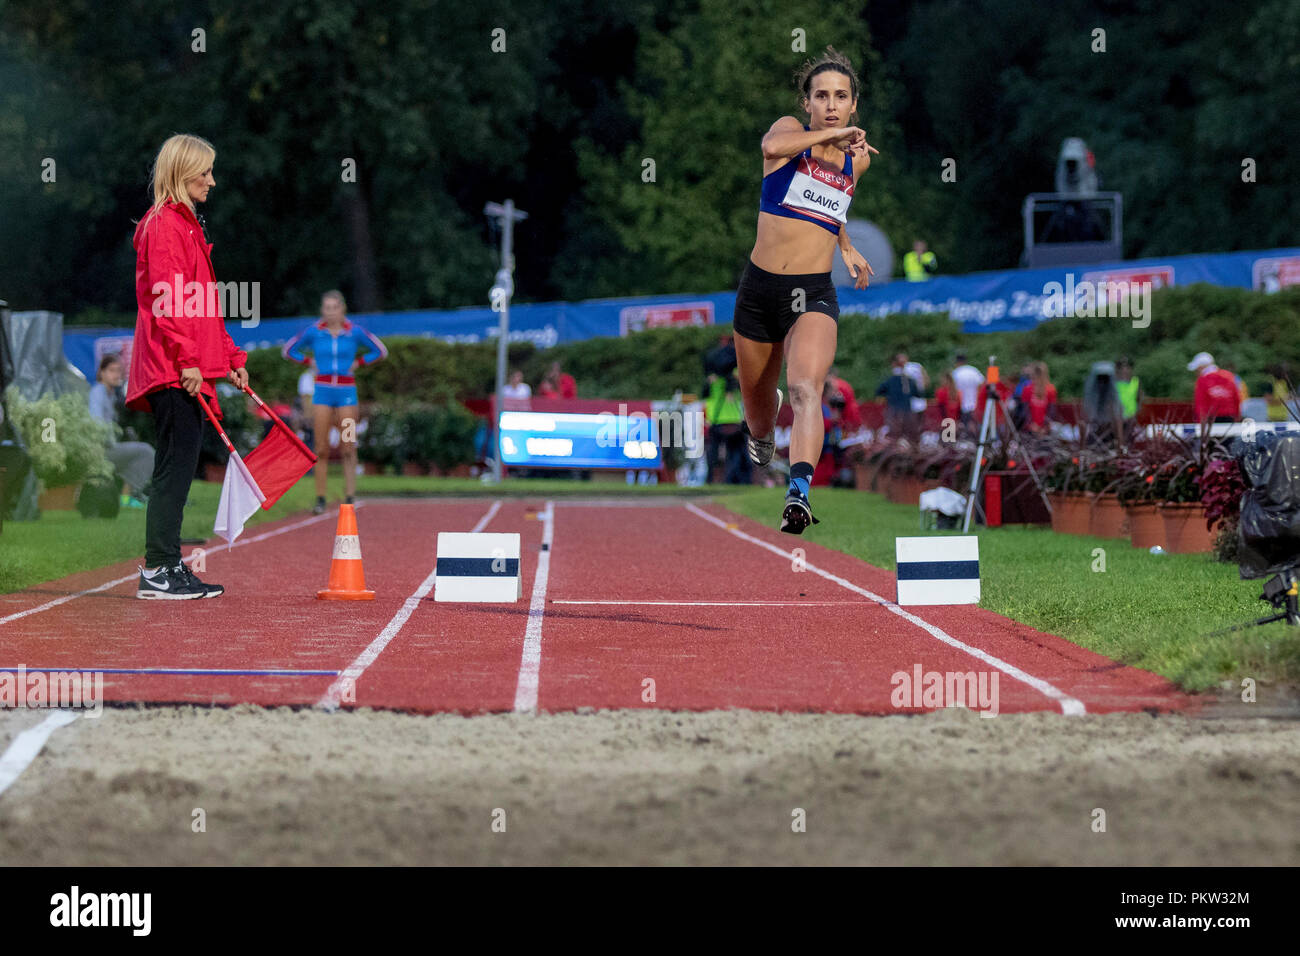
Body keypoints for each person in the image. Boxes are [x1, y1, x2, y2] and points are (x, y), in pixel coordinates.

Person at [732, 45, 877, 534]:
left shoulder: (856, 164)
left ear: (854, 103)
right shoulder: (787, 132)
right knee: (757, 415)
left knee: (805, 388)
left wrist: (846, 244)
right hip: (759, 290)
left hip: (811, 295)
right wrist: (832, 135)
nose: (832, 104)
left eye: (841, 97)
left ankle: (798, 492)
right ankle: (763, 423)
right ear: (807, 104)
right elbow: (772, 151)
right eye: (822, 96)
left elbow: (825, 206)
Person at [126, 133, 248, 599]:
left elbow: (201, 306)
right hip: (172, 368)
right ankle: (159, 569)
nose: (212, 181)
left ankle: (165, 566)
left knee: (178, 467)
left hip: (184, 365)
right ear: (182, 173)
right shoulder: (164, 227)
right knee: (173, 469)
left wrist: (231, 359)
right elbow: (166, 301)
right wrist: (188, 360)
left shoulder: (185, 226)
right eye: (205, 173)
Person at [282, 290, 388, 514]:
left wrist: (360, 362)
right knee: (320, 448)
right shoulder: (314, 332)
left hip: (346, 394)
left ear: (342, 309)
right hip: (322, 394)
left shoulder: (354, 332)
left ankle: (349, 496)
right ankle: (320, 498)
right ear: (322, 310)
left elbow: (380, 350)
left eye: (334, 308)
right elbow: (288, 350)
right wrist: (308, 360)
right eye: (327, 308)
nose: (330, 312)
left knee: (348, 445)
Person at [88, 354, 154, 509]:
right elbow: (96, 424)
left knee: (139, 451)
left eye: (119, 371)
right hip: (100, 450)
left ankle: (125, 499)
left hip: (109, 446)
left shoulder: (112, 395)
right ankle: (127, 497)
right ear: (101, 373)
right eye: (112, 370)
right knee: (146, 452)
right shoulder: (98, 392)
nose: (116, 375)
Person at [875, 353, 921, 440]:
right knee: (908, 437)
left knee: (895, 437)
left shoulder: (890, 380)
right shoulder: (909, 380)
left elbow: (879, 391)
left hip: (895, 413)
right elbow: (918, 394)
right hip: (906, 413)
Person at [1082, 361, 1125, 447]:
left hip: (1110, 435)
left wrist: (1120, 443)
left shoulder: (1113, 396)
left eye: (1105, 378)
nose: (1103, 382)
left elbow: (1117, 419)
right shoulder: (1091, 395)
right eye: (1100, 378)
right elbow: (1086, 418)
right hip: (1094, 434)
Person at [1188, 351, 1239, 424]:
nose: (1196, 372)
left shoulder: (1202, 380)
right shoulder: (1229, 376)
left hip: (1210, 419)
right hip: (1230, 418)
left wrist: (1200, 422)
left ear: (1201, 367)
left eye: (1197, 369)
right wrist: (1237, 416)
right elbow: (1236, 399)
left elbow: (1200, 404)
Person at [950, 352, 985, 434]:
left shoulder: (955, 373)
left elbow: (952, 390)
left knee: (964, 424)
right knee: (975, 423)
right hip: (975, 403)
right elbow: (982, 384)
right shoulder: (973, 370)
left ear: (957, 362)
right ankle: (977, 439)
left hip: (961, 404)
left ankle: (967, 439)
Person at [1021, 361, 1058, 434]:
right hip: (1030, 429)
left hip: (1045, 429)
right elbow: (1025, 411)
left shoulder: (1050, 390)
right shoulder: (1027, 389)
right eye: (1034, 378)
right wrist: (1031, 425)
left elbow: (1051, 411)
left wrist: (1045, 427)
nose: (1035, 380)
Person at [1115, 356, 1142, 424]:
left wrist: (1135, 414)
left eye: (1128, 368)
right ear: (1118, 370)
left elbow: (1139, 399)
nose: (1125, 370)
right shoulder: (1113, 382)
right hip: (1116, 418)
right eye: (1122, 368)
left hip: (1132, 418)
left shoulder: (1136, 381)